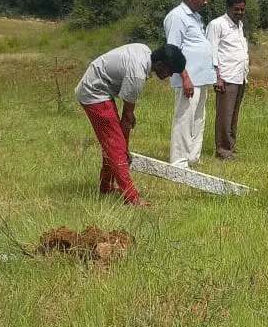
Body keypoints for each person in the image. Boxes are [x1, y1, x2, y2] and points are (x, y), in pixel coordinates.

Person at [74, 44, 186, 206]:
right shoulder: (137, 75)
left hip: (99, 88)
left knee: (112, 144)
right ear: (160, 64)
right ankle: (131, 199)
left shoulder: (144, 52)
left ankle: (106, 187)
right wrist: (123, 148)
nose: (168, 76)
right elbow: (126, 119)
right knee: (116, 146)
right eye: (169, 71)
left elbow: (127, 115)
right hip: (93, 93)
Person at [164, 0, 217, 167]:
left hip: (202, 78)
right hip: (188, 78)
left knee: (198, 118)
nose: (205, 2)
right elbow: (172, 50)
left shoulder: (195, 17)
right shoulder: (177, 17)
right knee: (185, 118)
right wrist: (185, 77)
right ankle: (179, 160)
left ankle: (193, 156)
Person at [206, 0, 249, 161]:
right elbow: (211, 52)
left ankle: (230, 144)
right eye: (236, 9)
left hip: (240, 75)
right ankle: (222, 149)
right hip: (226, 76)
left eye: (242, 9)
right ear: (229, 7)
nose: (239, 12)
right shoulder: (217, 25)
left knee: (233, 114)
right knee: (224, 115)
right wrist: (217, 77)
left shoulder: (239, 25)